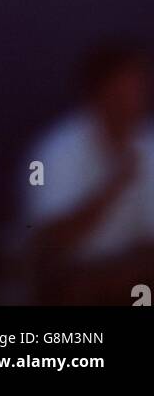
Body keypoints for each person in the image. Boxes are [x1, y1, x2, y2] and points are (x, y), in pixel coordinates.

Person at [20, 40, 154, 305]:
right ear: (99, 91)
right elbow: (51, 239)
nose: (135, 97)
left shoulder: (149, 143)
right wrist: (114, 186)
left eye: (140, 86)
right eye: (124, 88)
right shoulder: (55, 150)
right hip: (73, 277)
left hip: (137, 272)